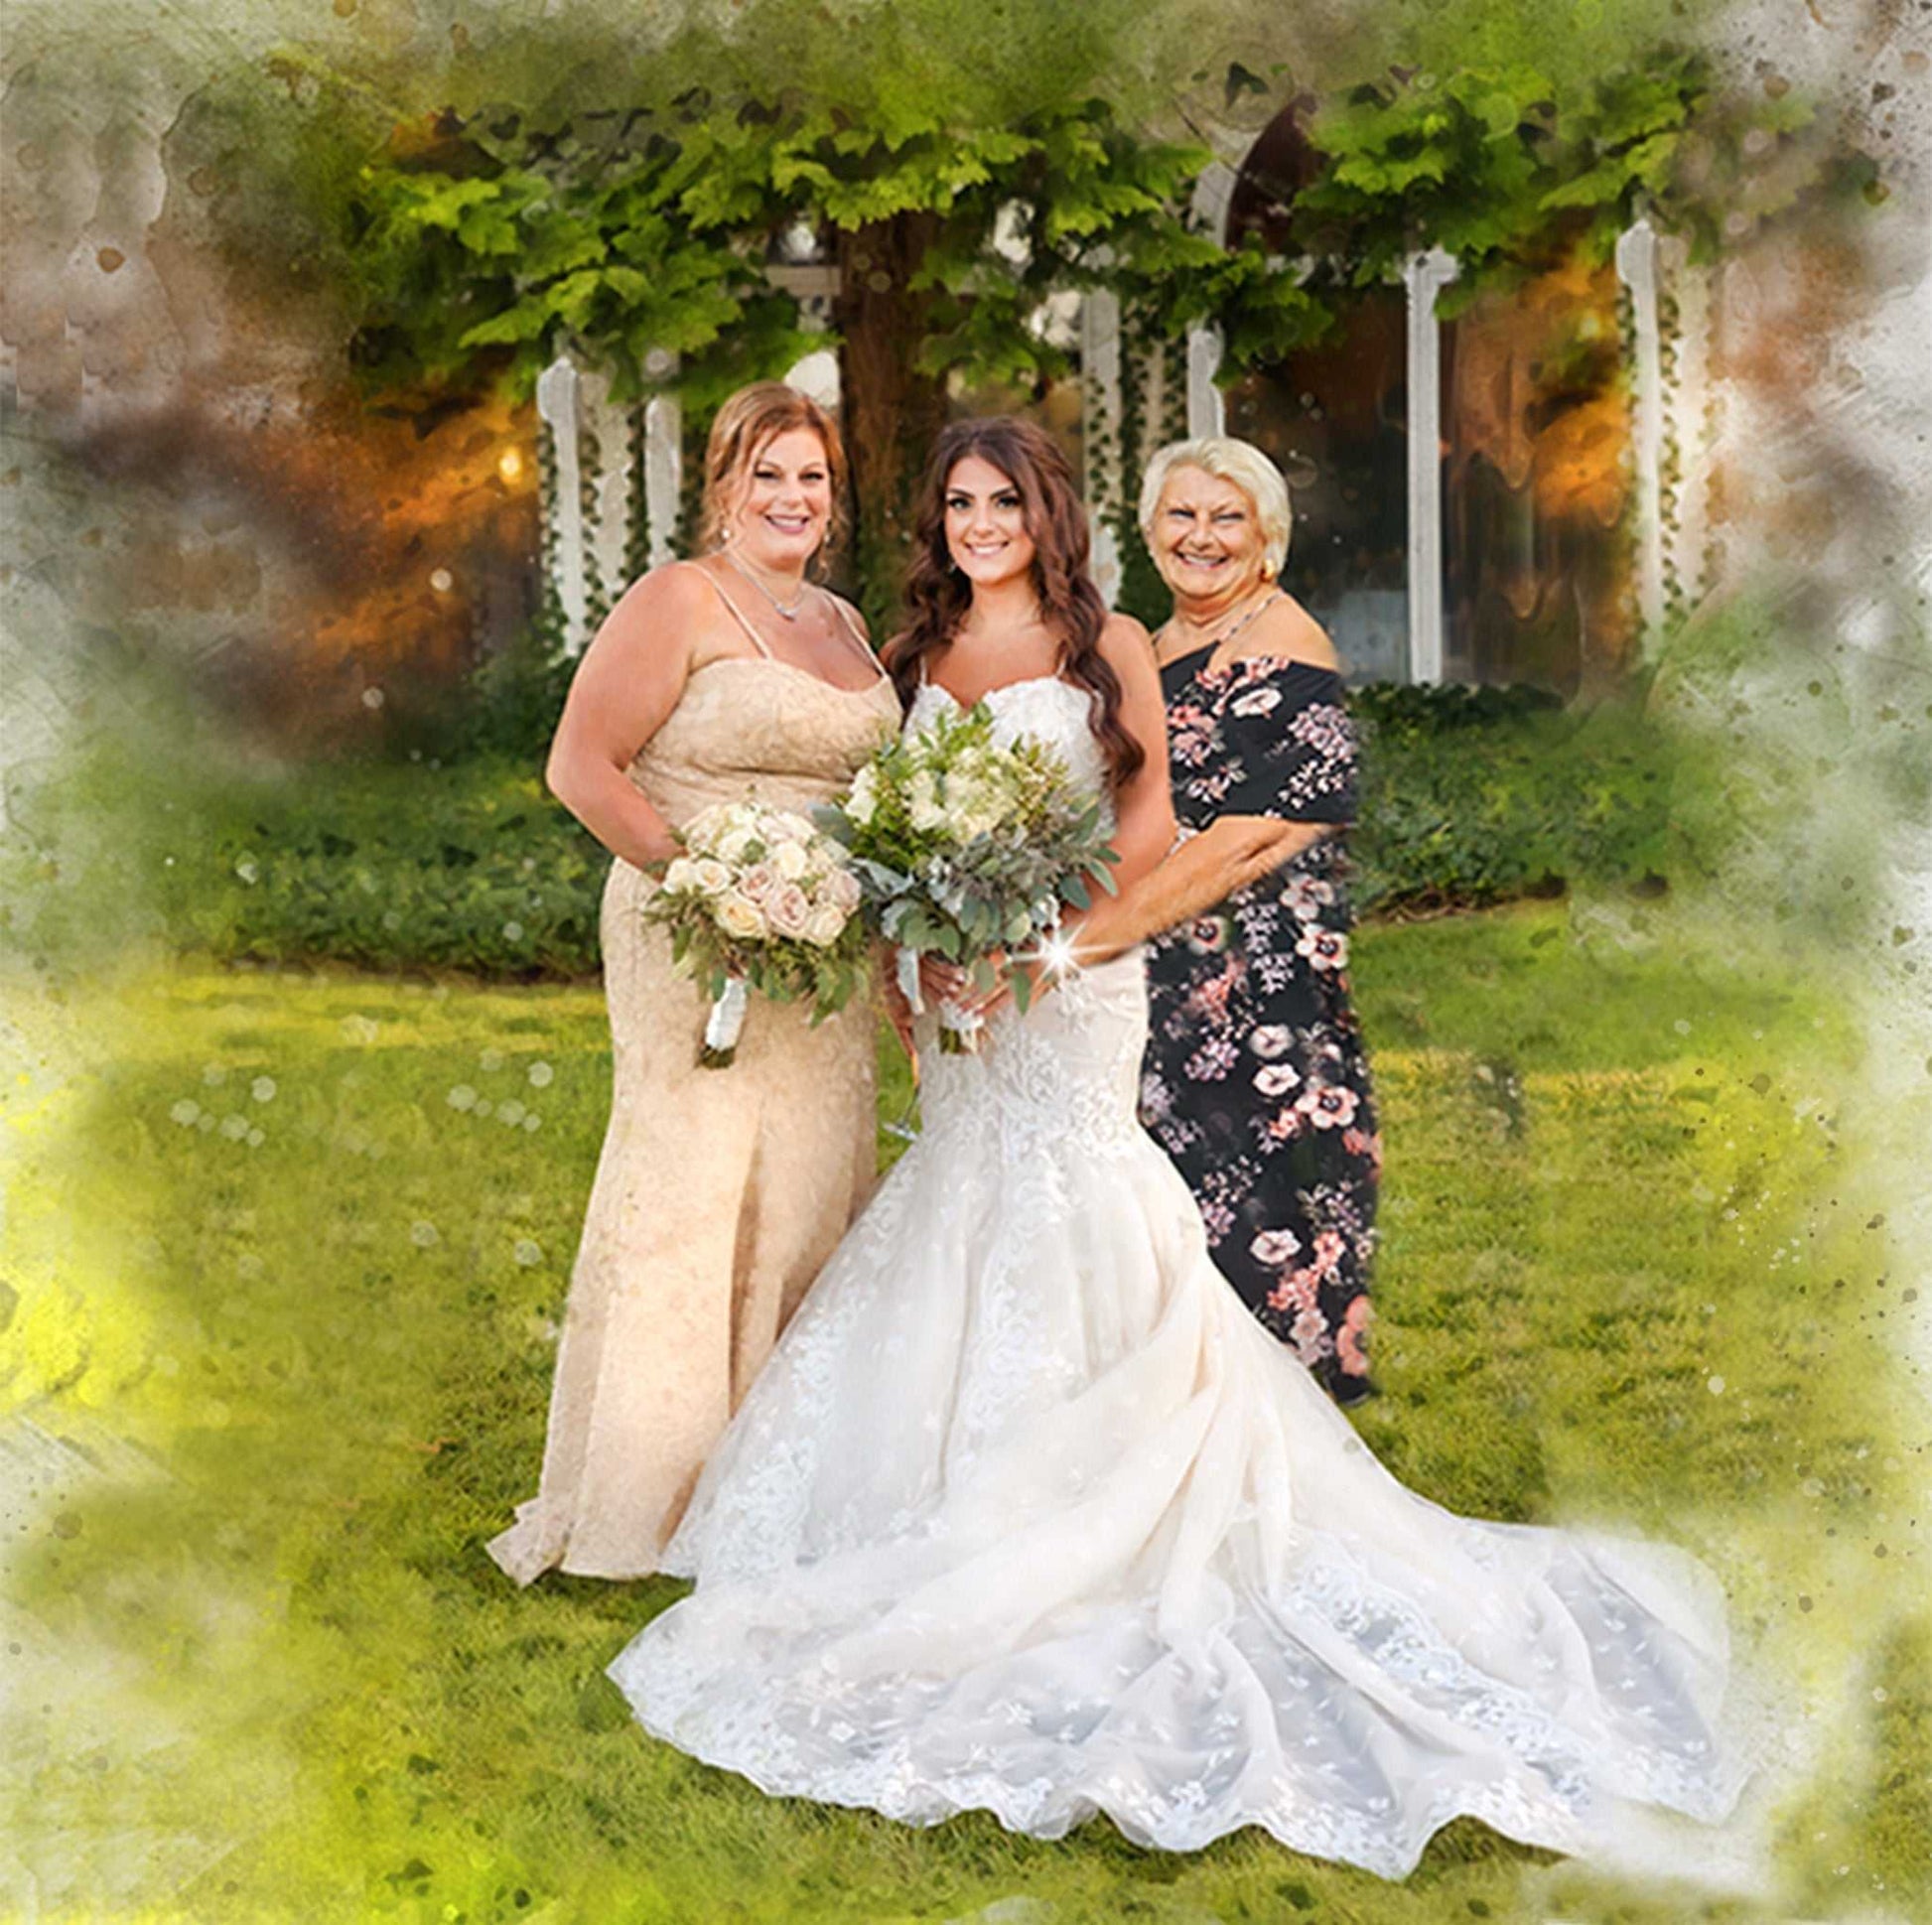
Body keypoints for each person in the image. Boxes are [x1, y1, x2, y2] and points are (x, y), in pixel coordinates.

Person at [604, 416, 1750, 1879]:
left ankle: (1112, 1482)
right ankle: (925, 1490)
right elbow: (890, 831)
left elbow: (1143, 817)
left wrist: (1047, 937)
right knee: (955, 1190)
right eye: (955, 499)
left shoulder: (1110, 642)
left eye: (1002, 499)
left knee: (1080, 1191)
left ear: (1044, 512)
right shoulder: (909, 659)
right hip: (957, 992)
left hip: (1075, 981)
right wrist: (921, 950)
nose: (976, 521)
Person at [485, 382, 900, 1585]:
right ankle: (646, 1496)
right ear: (722, 484)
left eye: (810, 476)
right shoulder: (678, 598)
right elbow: (583, 766)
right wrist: (712, 889)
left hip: (822, 958)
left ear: (835, 495)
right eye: (765, 474)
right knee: (692, 1191)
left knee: (812, 1190)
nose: (790, 498)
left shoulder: (843, 622)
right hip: (692, 937)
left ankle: (773, 1484)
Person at [1077, 438, 1381, 1404]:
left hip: (1252, 980)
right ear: (1148, 526)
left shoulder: (1282, 643)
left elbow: (1249, 837)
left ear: (1267, 538)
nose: (1199, 537)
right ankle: (1175, 1393)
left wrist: (1092, 936)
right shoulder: (1149, 647)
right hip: (1158, 974)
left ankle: (1265, 1407)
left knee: (1248, 1189)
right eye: (1180, 514)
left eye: (1225, 518)